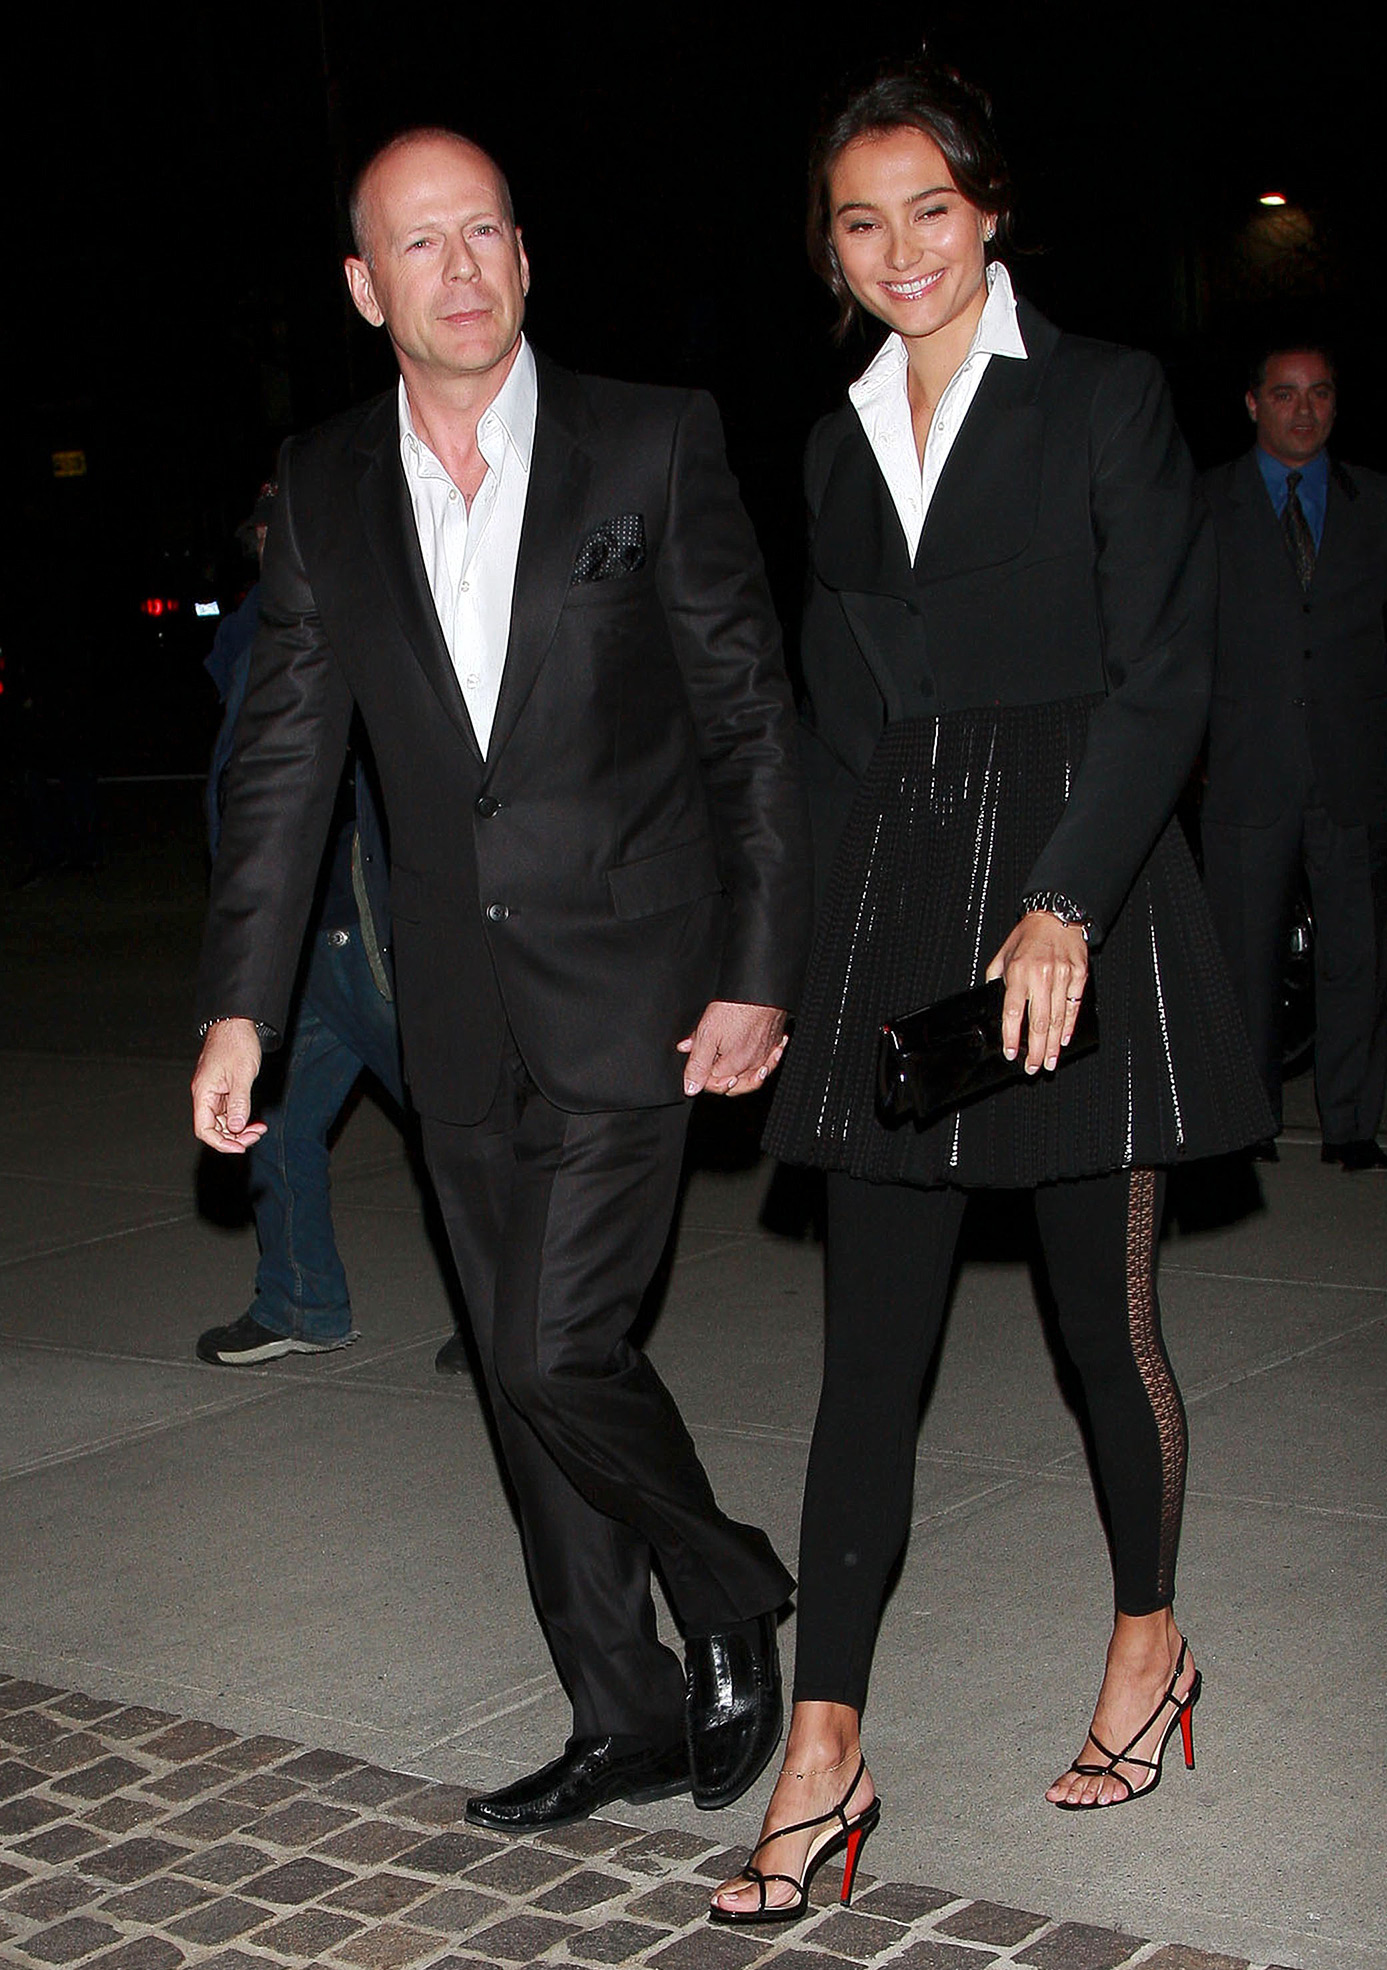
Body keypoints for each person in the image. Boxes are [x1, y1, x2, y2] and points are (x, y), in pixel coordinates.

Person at [190, 128, 811, 1829]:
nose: (459, 269)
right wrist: (241, 1004)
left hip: (639, 992)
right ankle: (623, 1714)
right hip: (454, 1015)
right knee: (526, 1393)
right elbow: (284, 766)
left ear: (525, 257)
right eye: (420, 241)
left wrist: (760, 965)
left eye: (484, 233)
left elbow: (752, 723)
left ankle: (731, 1583)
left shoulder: (652, 440)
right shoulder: (324, 484)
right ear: (363, 286)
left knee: (547, 1350)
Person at [711, 64, 1271, 1923]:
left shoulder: (1101, 395)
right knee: (867, 1363)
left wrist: (1063, 902)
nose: (900, 251)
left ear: (991, 209)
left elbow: (1163, 678)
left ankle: (1148, 1645)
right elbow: (832, 736)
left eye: (930, 210)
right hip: (902, 898)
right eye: (860, 222)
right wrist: (786, 974)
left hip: (1076, 890)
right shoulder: (832, 444)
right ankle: (824, 1750)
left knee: (1102, 1327)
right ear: (830, 247)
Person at [195, 483, 406, 1367]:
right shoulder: (256, 622)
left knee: (461, 1120)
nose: (275, 536)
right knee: (274, 1124)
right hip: (289, 935)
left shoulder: (352, 606)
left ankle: (528, 1322)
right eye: (266, 524)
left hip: (351, 912)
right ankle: (301, 1303)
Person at [1200, 346, 1387, 1171]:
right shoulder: (1201, 503)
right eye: (1285, 394)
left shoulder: (1385, 506)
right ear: (1251, 403)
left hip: (1353, 765)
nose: (1303, 410)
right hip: (1245, 765)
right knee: (1241, 959)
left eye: (1319, 394)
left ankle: (1351, 1126)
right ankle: (1245, 1122)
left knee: (1356, 954)